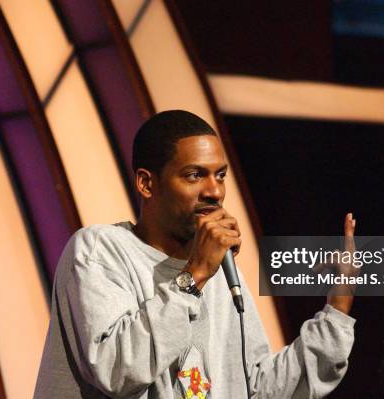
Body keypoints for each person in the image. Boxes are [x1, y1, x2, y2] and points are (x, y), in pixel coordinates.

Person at [34, 110, 357, 398]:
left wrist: (336, 307)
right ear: (147, 183)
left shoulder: (218, 272)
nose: (214, 191)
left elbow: (256, 387)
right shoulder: (100, 249)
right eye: (194, 175)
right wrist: (194, 276)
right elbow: (117, 371)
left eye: (220, 175)